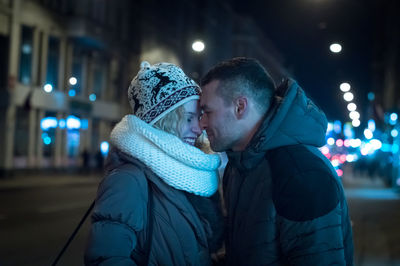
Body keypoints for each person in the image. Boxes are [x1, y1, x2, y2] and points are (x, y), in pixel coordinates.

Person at [199, 57, 354, 265]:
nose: (202, 123)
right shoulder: (240, 164)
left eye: (207, 112)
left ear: (240, 107)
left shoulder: (302, 173)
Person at [85, 61, 223, 265]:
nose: (198, 128)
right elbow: (106, 259)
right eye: (188, 119)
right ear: (163, 121)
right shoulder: (128, 179)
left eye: (199, 117)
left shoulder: (190, 176)